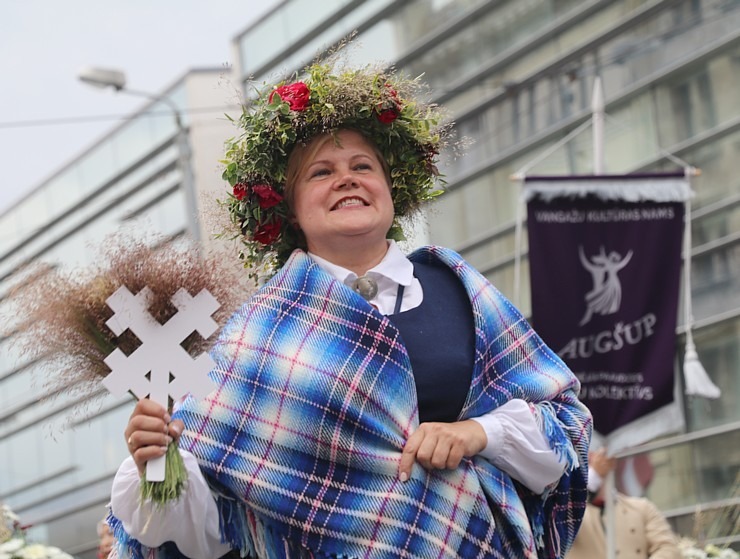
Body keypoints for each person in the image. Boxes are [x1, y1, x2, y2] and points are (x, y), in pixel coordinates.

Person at [107, 59, 592, 559]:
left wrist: (477, 432)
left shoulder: (457, 287)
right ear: (288, 208)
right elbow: (211, 528)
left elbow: (566, 430)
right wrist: (159, 466)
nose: (346, 179)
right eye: (321, 172)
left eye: (362, 166)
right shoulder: (256, 335)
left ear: (389, 187)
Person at [566, 449, 681, 559]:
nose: (595, 458)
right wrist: (594, 477)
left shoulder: (642, 508)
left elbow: (668, 549)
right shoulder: (568, 514)